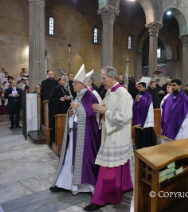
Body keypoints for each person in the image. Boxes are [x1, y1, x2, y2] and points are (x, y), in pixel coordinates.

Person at [85, 66, 134, 211]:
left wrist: (104, 111)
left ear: (112, 78)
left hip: (117, 135)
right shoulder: (109, 92)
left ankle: (102, 198)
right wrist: (99, 110)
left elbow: (124, 117)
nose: (102, 81)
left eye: (104, 78)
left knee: (109, 167)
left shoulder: (123, 94)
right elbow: (104, 109)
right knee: (119, 164)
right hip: (111, 133)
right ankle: (125, 186)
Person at [50, 65, 101, 195]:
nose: (73, 85)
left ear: (82, 85)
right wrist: (71, 112)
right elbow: (77, 111)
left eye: (75, 83)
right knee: (69, 158)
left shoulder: (90, 95)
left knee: (84, 159)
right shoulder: (79, 95)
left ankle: (85, 186)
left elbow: (92, 114)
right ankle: (65, 183)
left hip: (85, 135)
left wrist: (78, 109)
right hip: (75, 133)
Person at [161, 79, 188, 143]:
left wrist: (179, 124)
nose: (172, 87)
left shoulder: (184, 98)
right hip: (167, 126)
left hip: (179, 127)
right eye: (172, 85)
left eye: (174, 85)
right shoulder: (169, 98)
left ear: (180, 86)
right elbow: (164, 109)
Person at [48, 76, 72, 147]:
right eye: (63, 80)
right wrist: (59, 99)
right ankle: (56, 141)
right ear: (60, 81)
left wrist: (69, 99)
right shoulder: (56, 89)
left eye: (66, 80)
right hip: (59, 111)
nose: (65, 81)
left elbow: (74, 97)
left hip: (68, 110)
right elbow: (51, 100)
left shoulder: (70, 89)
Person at [133, 82, 157, 149]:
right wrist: (137, 102)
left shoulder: (148, 95)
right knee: (139, 129)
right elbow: (135, 104)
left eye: (140, 86)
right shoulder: (138, 94)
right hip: (139, 116)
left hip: (146, 116)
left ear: (144, 87)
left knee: (146, 130)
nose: (138, 88)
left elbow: (146, 104)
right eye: (138, 86)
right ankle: (139, 143)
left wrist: (139, 101)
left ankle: (147, 143)